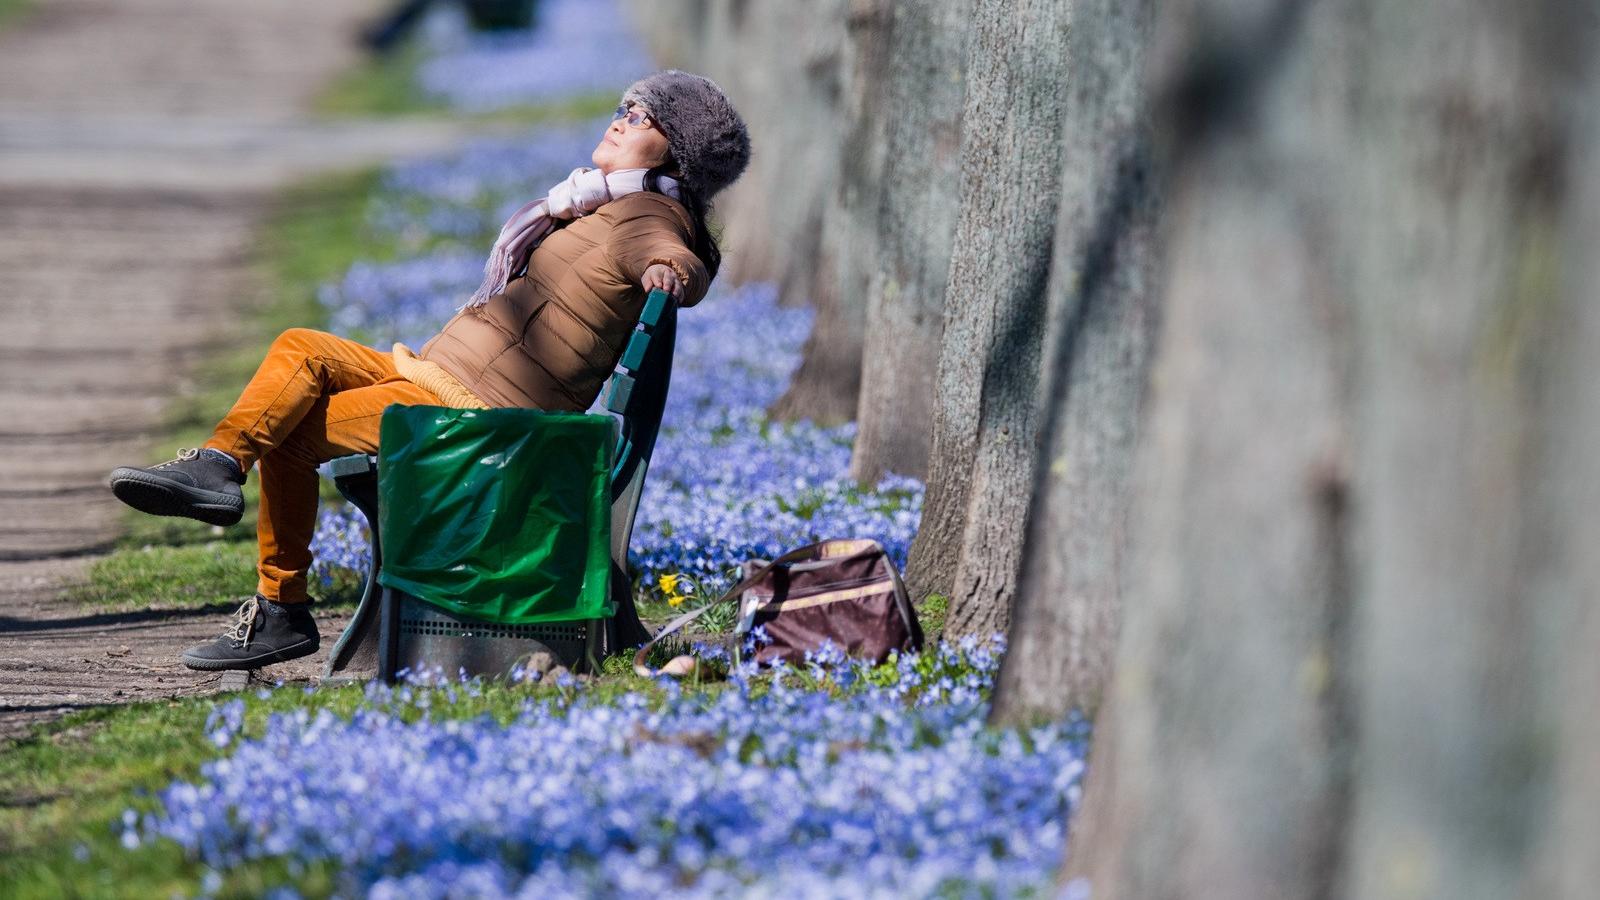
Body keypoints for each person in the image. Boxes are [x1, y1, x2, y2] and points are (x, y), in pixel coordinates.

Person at [105, 70, 751, 671]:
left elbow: (676, 260)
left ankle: (280, 604)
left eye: (640, 117)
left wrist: (674, 275)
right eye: (624, 107)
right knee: (300, 348)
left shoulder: (647, 216)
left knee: (293, 435)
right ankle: (218, 467)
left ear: (675, 153)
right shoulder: (601, 205)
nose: (619, 119)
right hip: (442, 377)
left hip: (478, 413)